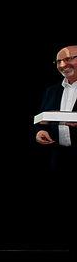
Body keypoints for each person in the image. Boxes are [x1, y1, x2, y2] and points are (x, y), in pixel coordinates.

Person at [34, 45, 77, 173]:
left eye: (68, 59)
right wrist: (40, 132)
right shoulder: (52, 91)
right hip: (58, 159)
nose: (62, 65)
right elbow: (42, 120)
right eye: (58, 61)